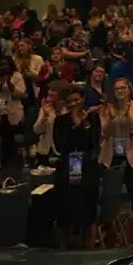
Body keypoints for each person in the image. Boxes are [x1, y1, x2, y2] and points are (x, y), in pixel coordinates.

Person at [99, 77, 133, 243]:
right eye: (116, 89)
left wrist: (127, 116)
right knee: (109, 193)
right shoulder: (107, 109)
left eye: (123, 88)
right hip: (112, 154)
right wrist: (113, 119)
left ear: (129, 90)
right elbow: (104, 132)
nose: (120, 91)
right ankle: (107, 228)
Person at [53, 86, 101, 246]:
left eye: (76, 100)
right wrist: (76, 124)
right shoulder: (60, 121)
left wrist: (83, 123)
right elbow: (62, 145)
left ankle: (90, 243)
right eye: (70, 101)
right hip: (68, 166)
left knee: (89, 204)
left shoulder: (93, 118)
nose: (73, 104)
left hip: (87, 166)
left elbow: (94, 142)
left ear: (83, 100)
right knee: (65, 204)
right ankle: (63, 244)